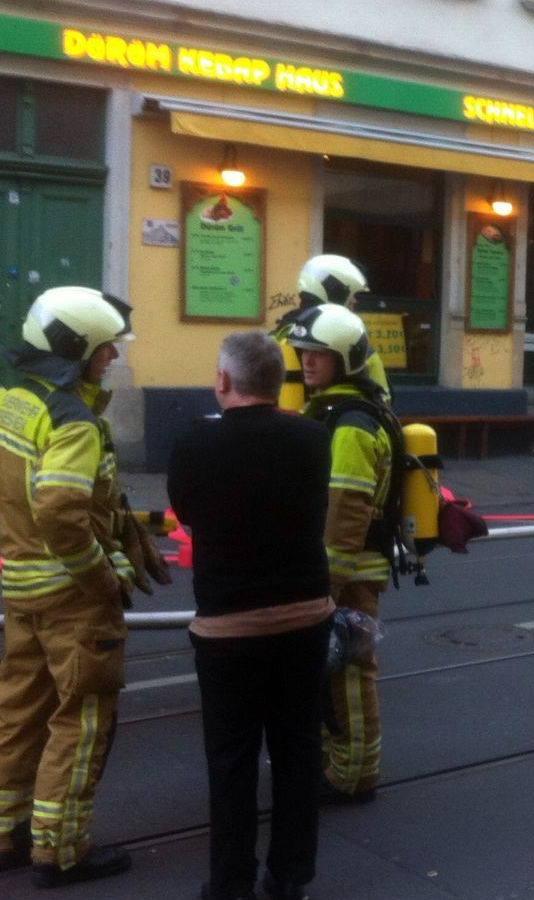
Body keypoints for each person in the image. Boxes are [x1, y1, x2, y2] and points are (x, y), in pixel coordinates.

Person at [167, 332, 334, 900]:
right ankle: (289, 877)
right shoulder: (314, 438)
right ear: (279, 381)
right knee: (297, 749)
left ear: (222, 381)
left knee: (231, 759)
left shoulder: (194, 445)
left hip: (227, 626)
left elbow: (187, 515)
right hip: (306, 616)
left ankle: (231, 882)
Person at [0, 286, 136, 886]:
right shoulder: (73, 420)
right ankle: (60, 849)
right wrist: (101, 575)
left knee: (18, 713)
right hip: (72, 599)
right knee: (80, 718)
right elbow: (62, 510)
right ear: (77, 351)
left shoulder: (10, 403)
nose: (112, 359)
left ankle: (5, 833)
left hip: (20, 588)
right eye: (105, 349)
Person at [288, 304, 394, 803]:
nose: (307, 361)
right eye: (303, 351)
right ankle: (341, 762)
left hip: (348, 572)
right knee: (334, 677)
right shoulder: (337, 410)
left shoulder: (350, 423)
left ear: (345, 358)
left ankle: (354, 776)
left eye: (319, 354)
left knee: (350, 675)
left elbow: (346, 512)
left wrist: (324, 587)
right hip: (341, 569)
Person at [272, 254, 389, 412]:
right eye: (352, 295)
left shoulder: (273, 340)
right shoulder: (355, 348)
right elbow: (383, 403)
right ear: (336, 292)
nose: (354, 302)